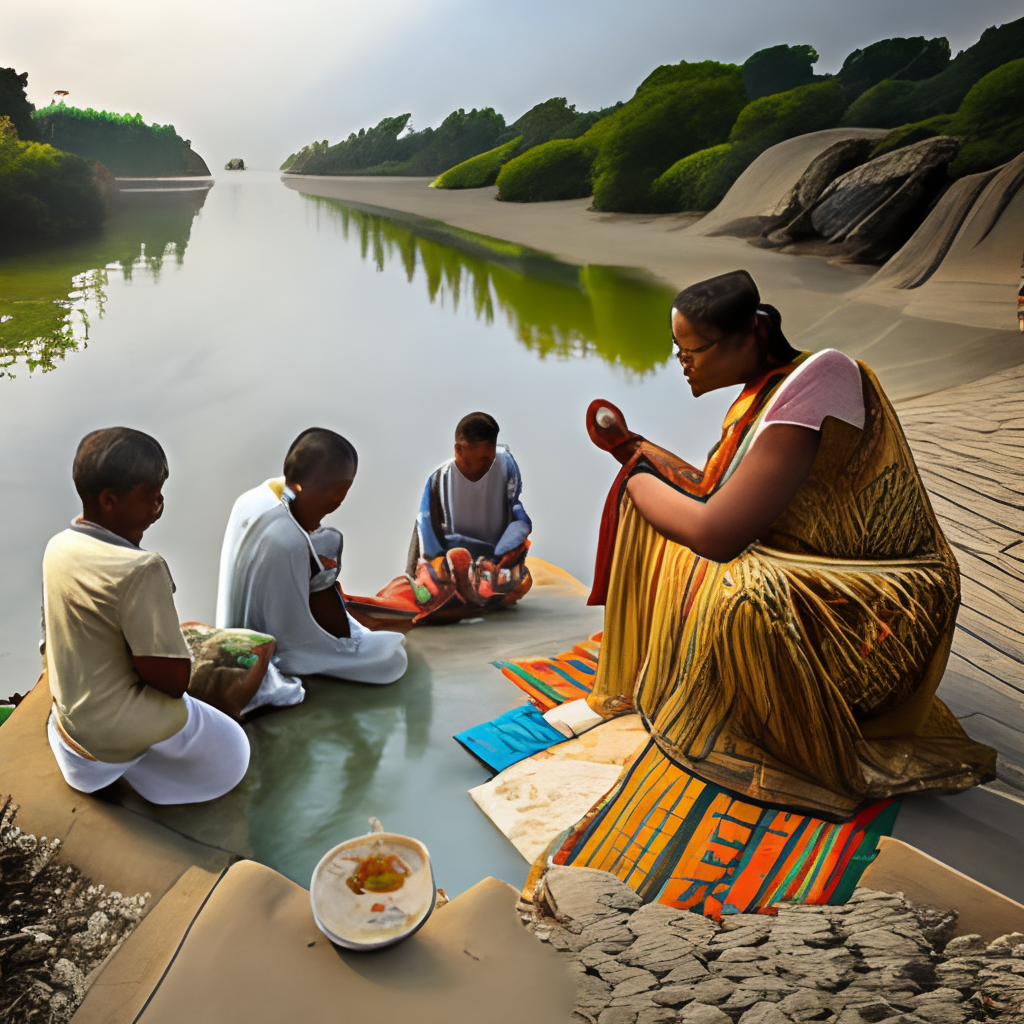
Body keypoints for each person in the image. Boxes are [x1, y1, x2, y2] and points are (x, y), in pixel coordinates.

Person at [551, 269, 995, 862]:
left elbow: (718, 532)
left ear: (749, 336)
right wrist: (637, 455)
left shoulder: (822, 379)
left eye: (693, 349)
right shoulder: (762, 391)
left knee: (737, 589)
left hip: (884, 590)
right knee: (658, 523)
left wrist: (634, 478)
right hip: (806, 556)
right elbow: (716, 492)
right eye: (677, 350)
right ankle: (636, 687)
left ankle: (760, 728)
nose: (682, 363)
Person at [42, 428, 250, 804]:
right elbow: (172, 682)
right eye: (151, 497)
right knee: (235, 748)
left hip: (68, 734)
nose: (160, 504)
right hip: (106, 745)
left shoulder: (59, 546)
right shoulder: (143, 569)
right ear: (109, 501)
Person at [217, 428, 407, 684]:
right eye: (335, 498)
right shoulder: (288, 541)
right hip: (263, 656)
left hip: (228, 635)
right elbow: (294, 639)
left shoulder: (252, 497)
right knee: (389, 658)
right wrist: (317, 573)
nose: (334, 506)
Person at [401, 412, 532, 617]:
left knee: (518, 547)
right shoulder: (438, 479)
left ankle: (483, 586)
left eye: (486, 460)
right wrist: (434, 565)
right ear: (458, 450)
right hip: (451, 555)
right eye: (472, 461)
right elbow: (426, 529)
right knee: (421, 525)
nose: (479, 468)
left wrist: (510, 543)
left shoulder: (506, 465)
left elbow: (515, 508)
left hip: (493, 557)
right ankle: (416, 587)